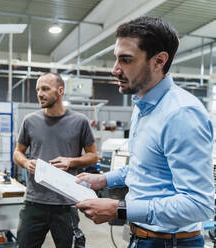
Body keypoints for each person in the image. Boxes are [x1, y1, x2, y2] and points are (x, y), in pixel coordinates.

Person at [76, 16, 214, 248]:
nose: (115, 69)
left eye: (126, 60)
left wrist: (119, 209)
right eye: (116, 59)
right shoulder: (142, 105)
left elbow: (200, 204)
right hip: (143, 238)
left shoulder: (181, 113)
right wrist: (103, 179)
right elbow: (146, 166)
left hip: (171, 243)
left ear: (159, 61)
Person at [13, 72, 98, 248]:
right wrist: (27, 162)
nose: (40, 94)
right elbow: (17, 152)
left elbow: (93, 156)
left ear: (60, 91)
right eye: (38, 89)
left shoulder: (79, 121)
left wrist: (71, 162)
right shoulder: (30, 121)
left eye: (45, 89)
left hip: (66, 203)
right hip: (34, 202)